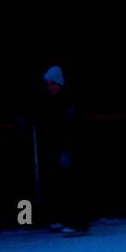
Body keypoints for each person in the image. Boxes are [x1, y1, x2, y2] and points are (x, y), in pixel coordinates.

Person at [33, 65, 90, 237]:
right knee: (61, 184)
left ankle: (78, 223)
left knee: (72, 185)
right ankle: (66, 219)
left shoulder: (68, 101)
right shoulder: (55, 101)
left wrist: (67, 149)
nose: (50, 87)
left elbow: (72, 127)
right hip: (60, 148)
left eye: (52, 84)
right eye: (48, 84)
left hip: (70, 148)